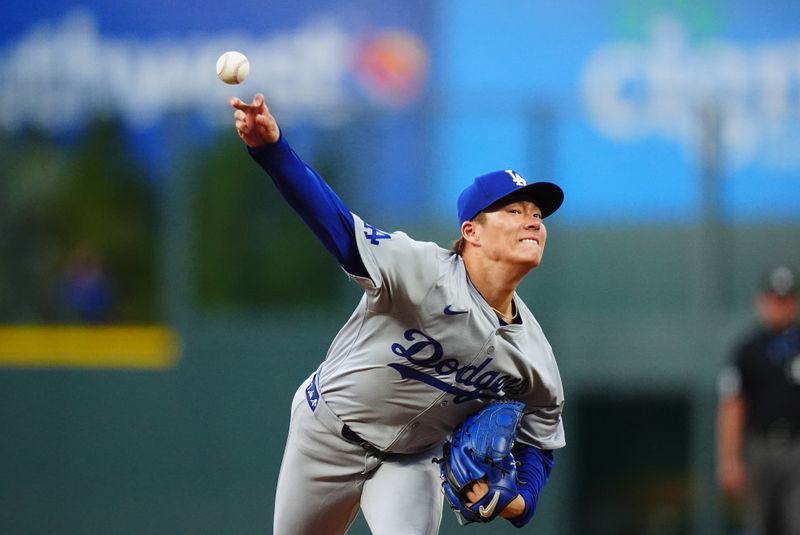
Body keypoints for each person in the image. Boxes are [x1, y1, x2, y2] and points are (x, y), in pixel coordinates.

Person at [230, 93, 566, 534]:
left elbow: (539, 444)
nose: (533, 222)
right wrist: (272, 151)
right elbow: (337, 226)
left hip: (412, 462)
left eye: (538, 215)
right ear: (471, 232)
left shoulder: (534, 356)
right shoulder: (422, 270)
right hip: (328, 433)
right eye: (515, 210)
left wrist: (519, 503)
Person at [717, 265, 800, 535]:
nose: (779, 306)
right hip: (759, 448)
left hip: (797, 446)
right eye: (773, 299)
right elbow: (732, 404)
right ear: (761, 301)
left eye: (785, 300)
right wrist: (729, 458)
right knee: (758, 526)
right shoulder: (749, 348)